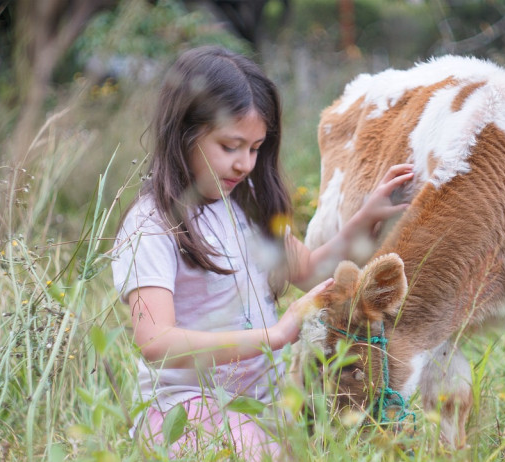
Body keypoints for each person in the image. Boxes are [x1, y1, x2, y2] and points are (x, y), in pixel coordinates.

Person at [111, 46, 413, 460]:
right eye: (230, 146)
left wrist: (364, 218)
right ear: (183, 132)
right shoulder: (151, 226)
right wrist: (276, 334)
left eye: (255, 148)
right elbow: (155, 340)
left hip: (262, 403)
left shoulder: (246, 201)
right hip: (185, 405)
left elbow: (307, 269)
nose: (245, 164)